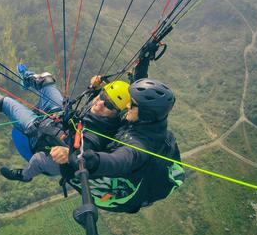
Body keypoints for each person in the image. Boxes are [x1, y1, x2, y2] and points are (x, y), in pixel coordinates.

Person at [0, 64, 131, 182]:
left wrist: (70, 154)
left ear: (117, 113)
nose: (100, 103)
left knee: (3, 102)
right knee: (46, 79)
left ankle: (24, 176)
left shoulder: (97, 136)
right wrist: (95, 87)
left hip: (49, 141)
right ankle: (28, 79)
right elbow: (100, 99)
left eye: (109, 105)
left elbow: (84, 152)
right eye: (102, 96)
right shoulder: (99, 106)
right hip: (59, 118)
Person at [62, 78, 185, 213]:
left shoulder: (139, 146)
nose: (127, 105)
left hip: (115, 194)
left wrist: (95, 161)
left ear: (146, 113)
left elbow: (122, 159)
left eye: (132, 104)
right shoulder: (149, 122)